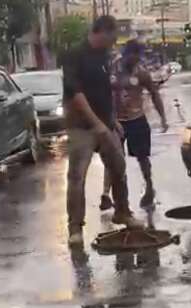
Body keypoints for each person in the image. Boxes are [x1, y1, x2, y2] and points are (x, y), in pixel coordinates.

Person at [63, 16, 144, 246]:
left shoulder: (104, 57)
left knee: (118, 167)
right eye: (112, 37)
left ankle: (122, 212)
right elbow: (76, 93)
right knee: (77, 177)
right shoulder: (74, 55)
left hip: (106, 125)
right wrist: (95, 124)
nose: (113, 42)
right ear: (101, 32)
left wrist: (112, 120)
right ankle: (75, 229)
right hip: (81, 126)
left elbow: (105, 91)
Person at [100, 39, 168, 210]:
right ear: (127, 54)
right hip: (116, 122)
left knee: (143, 157)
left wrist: (163, 118)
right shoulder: (112, 68)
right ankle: (106, 194)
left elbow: (154, 93)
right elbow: (102, 94)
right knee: (113, 160)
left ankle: (149, 186)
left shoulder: (142, 72)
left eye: (139, 57)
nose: (136, 60)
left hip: (137, 119)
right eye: (134, 56)